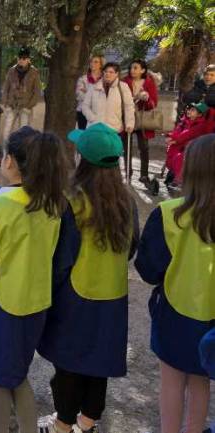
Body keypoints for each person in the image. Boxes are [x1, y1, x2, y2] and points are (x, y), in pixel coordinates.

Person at [0, 127, 76, 433]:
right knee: (17, 373)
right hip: (36, 303)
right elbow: (63, 259)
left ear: (9, 161)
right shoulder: (56, 204)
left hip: (0, 304)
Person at [37, 123, 139, 433]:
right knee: (99, 361)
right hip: (113, 293)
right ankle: (88, 420)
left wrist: (48, 292)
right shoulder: (127, 200)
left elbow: (62, 257)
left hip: (75, 294)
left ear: (83, 159)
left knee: (69, 363)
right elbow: (132, 246)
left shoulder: (73, 201)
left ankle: (63, 424)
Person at [135, 134, 215, 433]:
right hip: (211, 319)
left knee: (171, 379)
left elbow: (148, 268)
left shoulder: (169, 215)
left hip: (175, 311)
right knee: (201, 379)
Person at [82, 62, 136, 178]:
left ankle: (111, 182)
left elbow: (129, 106)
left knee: (110, 159)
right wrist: (92, 118)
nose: (107, 74)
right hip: (95, 129)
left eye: (111, 72)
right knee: (95, 157)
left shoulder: (123, 87)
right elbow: (85, 106)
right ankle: (92, 180)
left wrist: (130, 123)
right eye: (106, 72)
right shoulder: (94, 87)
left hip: (113, 129)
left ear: (117, 74)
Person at [121, 59, 160, 184]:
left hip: (142, 120)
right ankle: (128, 173)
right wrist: (136, 97)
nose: (132, 70)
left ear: (143, 70)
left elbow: (153, 104)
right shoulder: (124, 82)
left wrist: (146, 99)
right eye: (131, 67)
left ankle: (144, 175)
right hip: (126, 118)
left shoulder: (149, 82)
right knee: (126, 147)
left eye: (135, 68)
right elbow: (120, 100)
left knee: (144, 147)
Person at [165, 103, 215, 188]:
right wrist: (171, 136)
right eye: (189, 109)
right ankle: (174, 176)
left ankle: (179, 179)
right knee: (173, 154)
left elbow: (187, 134)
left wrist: (175, 140)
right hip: (182, 145)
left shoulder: (200, 125)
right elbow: (178, 131)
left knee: (179, 158)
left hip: (193, 148)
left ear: (199, 114)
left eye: (193, 110)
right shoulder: (186, 121)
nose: (189, 111)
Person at [2, 48, 43, 140]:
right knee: (6, 131)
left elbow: (37, 92)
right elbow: (5, 88)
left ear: (28, 60)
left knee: (23, 132)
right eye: (19, 58)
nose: (21, 60)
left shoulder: (34, 72)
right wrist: (6, 103)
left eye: (24, 58)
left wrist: (29, 106)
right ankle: (5, 152)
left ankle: (20, 153)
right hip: (12, 105)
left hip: (25, 106)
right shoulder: (11, 71)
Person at [76, 56, 105, 129]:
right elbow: (79, 95)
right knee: (84, 136)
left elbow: (105, 95)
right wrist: (96, 95)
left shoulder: (104, 79)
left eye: (96, 62)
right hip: (83, 112)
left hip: (99, 112)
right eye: (91, 62)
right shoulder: (83, 79)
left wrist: (87, 91)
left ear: (101, 65)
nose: (92, 64)